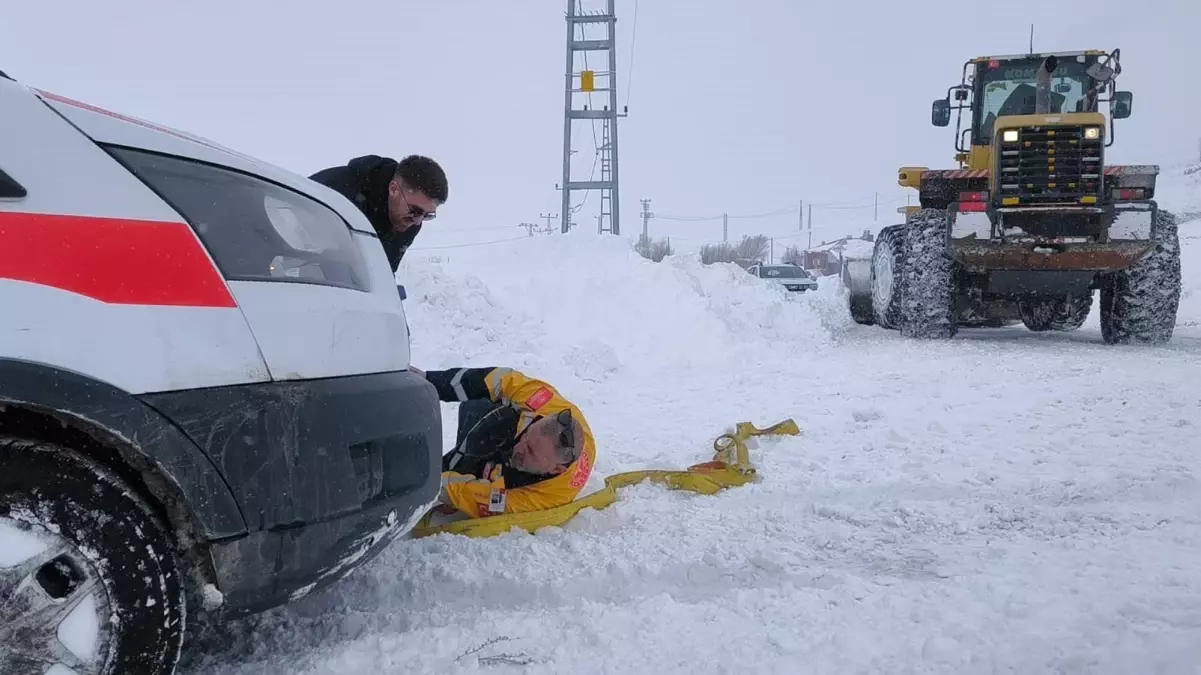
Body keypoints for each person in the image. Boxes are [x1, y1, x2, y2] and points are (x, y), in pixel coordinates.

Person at [417, 365, 596, 519]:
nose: (518, 448)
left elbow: (484, 500)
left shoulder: (541, 498)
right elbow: (499, 379)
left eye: (531, 451)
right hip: (514, 425)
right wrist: (430, 381)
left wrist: (425, 482)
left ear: (556, 469)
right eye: (526, 437)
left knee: (469, 483)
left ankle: (459, 467)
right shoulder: (546, 403)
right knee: (479, 402)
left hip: (518, 481)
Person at [309, 154, 448, 272]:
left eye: (427, 215)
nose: (418, 221)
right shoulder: (339, 192)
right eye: (415, 210)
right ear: (393, 189)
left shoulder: (409, 223)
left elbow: (383, 274)